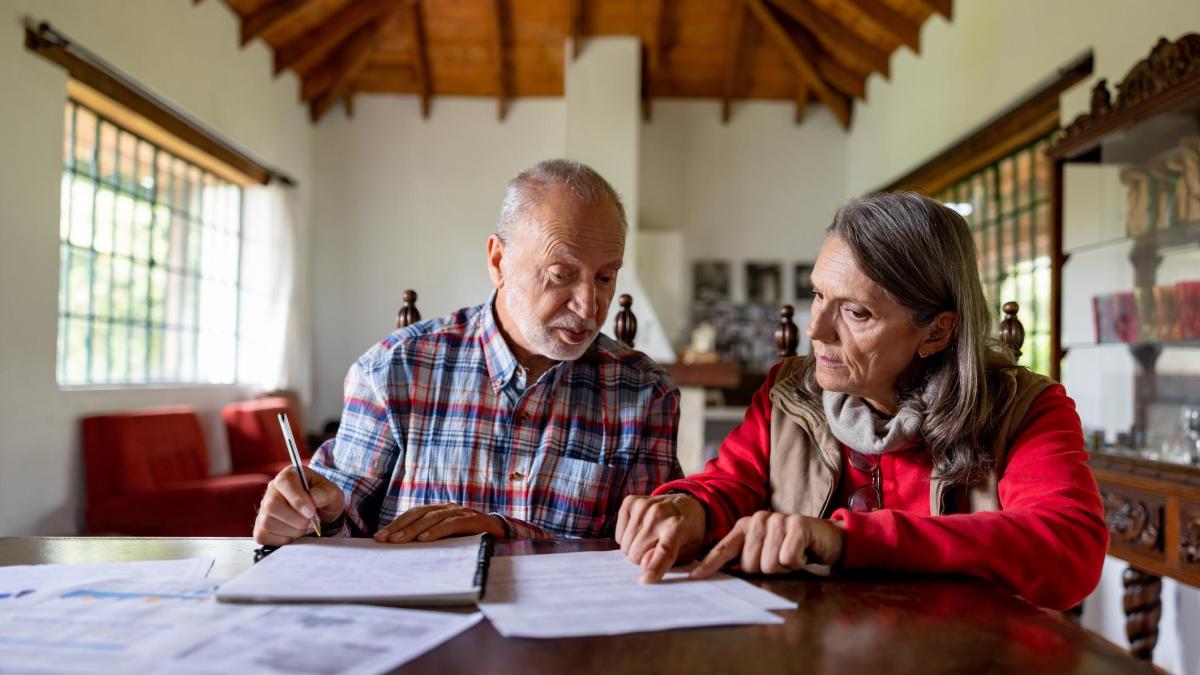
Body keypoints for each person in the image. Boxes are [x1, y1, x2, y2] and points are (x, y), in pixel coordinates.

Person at [615, 192, 1108, 611]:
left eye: (855, 312)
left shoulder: (1024, 410)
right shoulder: (788, 394)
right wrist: (687, 507)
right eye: (817, 296)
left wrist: (848, 539)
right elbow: (727, 484)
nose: (816, 329)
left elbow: (1069, 548)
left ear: (937, 331)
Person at [254, 159, 681, 546]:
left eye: (605, 277)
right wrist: (305, 518)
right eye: (561, 275)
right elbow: (337, 529)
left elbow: (644, 552)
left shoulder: (644, 394)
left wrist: (501, 530)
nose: (589, 307)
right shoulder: (394, 371)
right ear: (498, 262)